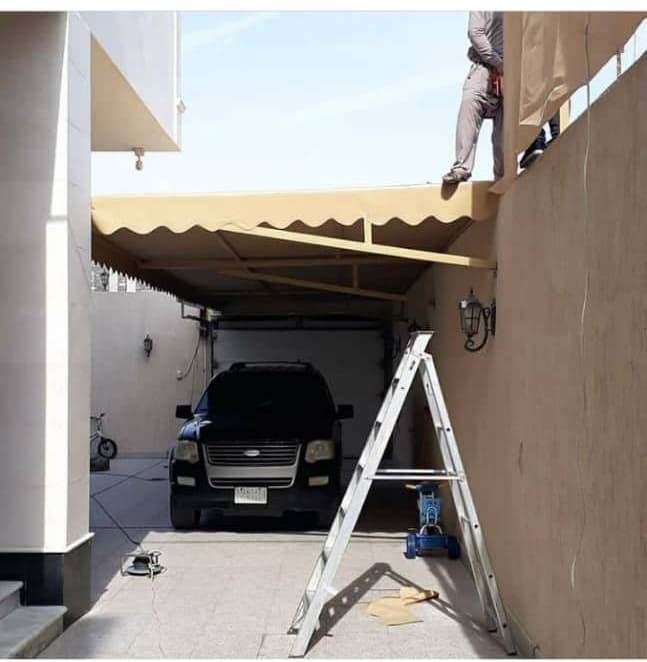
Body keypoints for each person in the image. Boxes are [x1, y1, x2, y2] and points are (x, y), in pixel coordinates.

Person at [442, 11, 504, 185]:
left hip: (511, 75)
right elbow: (475, 32)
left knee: (504, 136)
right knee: (469, 107)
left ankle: (503, 177)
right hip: (483, 69)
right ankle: (461, 168)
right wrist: (499, 63)